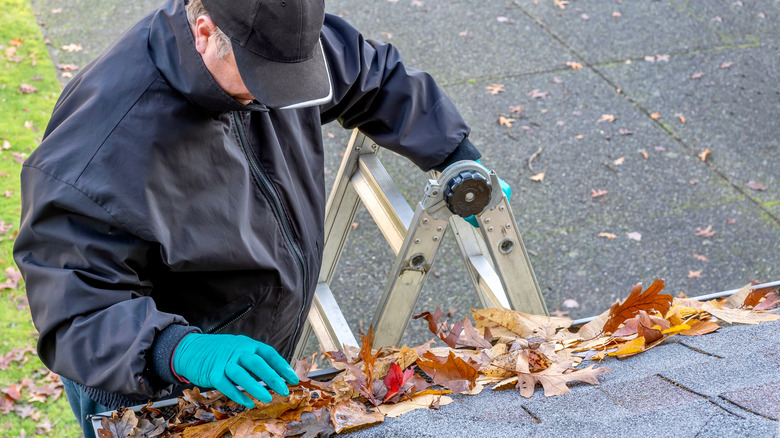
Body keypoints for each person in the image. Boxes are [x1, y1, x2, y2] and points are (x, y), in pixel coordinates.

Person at [13, 0, 505, 436]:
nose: (276, 99)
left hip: (245, 348)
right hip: (146, 377)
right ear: (204, 32)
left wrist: (457, 157)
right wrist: (176, 350)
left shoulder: (277, 37)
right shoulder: (102, 144)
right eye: (262, 80)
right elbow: (74, 307)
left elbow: (371, 76)